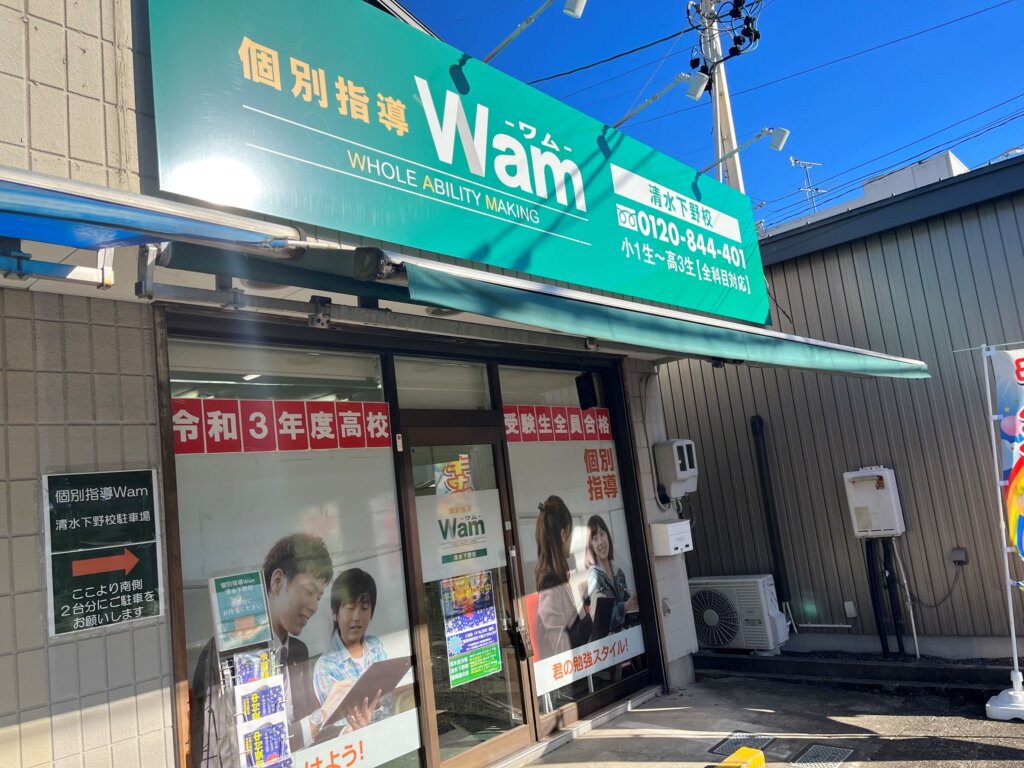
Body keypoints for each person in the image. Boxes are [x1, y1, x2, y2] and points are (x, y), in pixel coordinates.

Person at [190, 533, 334, 767]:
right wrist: (320, 717)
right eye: (309, 592)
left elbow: (304, 731)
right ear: (277, 581)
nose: (314, 606)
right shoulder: (225, 653)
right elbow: (214, 751)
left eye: (319, 597)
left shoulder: (298, 652)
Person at [312, 568, 390, 733]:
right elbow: (337, 725)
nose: (357, 617)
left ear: (371, 613)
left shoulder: (376, 646)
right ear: (335, 613)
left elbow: (388, 699)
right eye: (350, 607)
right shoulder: (325, 666)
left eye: (364, 607)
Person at [533, 495, 592, 659]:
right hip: (564, 672)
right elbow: (562, 646)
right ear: (563, 534)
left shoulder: (555, 576)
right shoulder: (549, 581)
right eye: (570, 532)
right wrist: (593, 616)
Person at [583, 515, 638, 634]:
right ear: (591, 546)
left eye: (602, 534)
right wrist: (625, 608)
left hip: (627, 635)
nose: (601, 542)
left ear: (607, 535)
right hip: (611, 641)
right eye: (595, 538)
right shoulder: (594, 577)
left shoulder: (619, 572)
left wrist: (635, 603)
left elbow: (630, 611)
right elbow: (601, 621)